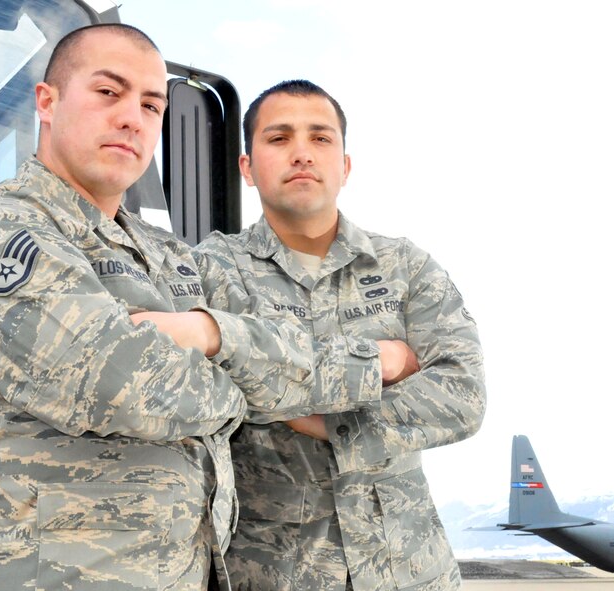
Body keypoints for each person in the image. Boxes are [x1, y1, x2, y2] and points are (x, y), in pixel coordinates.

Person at [0, 26, 315, 591]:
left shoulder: (174, 256)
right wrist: (237, 385)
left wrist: (210, 335)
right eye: (109, 92)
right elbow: (113, 382)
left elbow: (286, 344)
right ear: (47, 102)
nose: (133, 117)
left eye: (151, 104)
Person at [194, 80, 486, 591]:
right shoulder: (211, 272)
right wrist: (387, 364)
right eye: (279, 138)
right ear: (246, 166)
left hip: (411, 568)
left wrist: (320, 416)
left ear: (345, 166)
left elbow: (464, 395)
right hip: (273, 572)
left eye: (321, 139)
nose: (302, 153)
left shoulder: (405, 267)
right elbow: (228, 392)